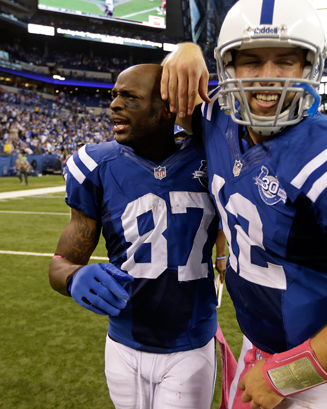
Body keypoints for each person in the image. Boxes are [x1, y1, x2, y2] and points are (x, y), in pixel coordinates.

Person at [162, 0, 327, 409]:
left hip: (321, 363)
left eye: (286, 60)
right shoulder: (216, 119)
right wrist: (183, 50)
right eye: (252, 60)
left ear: (310, 67)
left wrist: (282, 378)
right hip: (255, 345)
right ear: (228, 65)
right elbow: (163, 89)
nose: (268, 74)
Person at [49, 64, 221, 409]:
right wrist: (73, 277)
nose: (114, 104)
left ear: (167, 108)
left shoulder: (211, 155)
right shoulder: (96, 164)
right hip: (123, 343)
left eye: (130, 97)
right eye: (114, 94)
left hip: (189, 343)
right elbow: (61, 263)